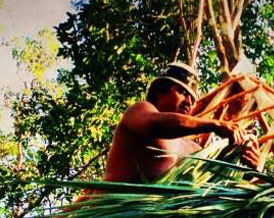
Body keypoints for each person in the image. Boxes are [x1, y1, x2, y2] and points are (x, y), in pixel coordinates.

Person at [103, 62, 260, 183]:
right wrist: (215, 125)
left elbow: (216, 182)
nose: (188, 103)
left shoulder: (193, 149)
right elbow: (155, 125)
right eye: (182, 92)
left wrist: (249, 167)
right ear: (159, 91)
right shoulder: (141, 111)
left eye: (192, 100)